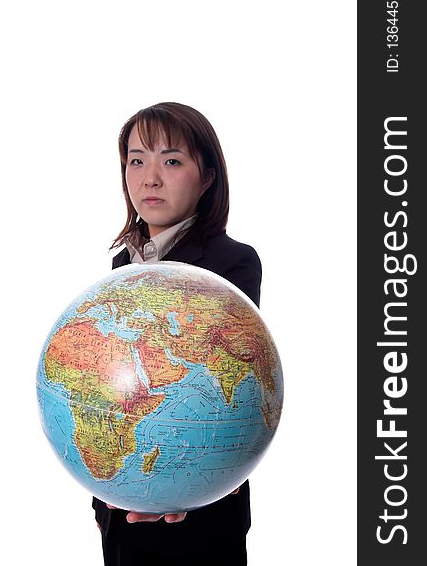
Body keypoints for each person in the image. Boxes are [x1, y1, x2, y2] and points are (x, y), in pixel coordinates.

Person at [93, 101, 262, 565]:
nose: (150, 177)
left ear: (207, 177)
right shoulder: (121, 267)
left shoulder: (232, 263)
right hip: (123, 497)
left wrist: (177, 489)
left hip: (201, 511)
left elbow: (225, 384)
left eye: (171, 160)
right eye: (136, 159)